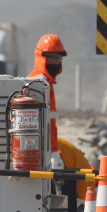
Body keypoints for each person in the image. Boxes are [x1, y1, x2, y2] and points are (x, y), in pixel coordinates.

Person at [26, 34, 67, 169]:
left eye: (58, 58)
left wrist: (54, 151)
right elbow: (41, 125)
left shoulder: (46, 83)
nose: (56, 62)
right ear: (42, 58)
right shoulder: (38, 84)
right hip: (39, 151)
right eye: (52, 58)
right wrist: (52, 153)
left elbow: (50, 124)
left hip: (45, 149)